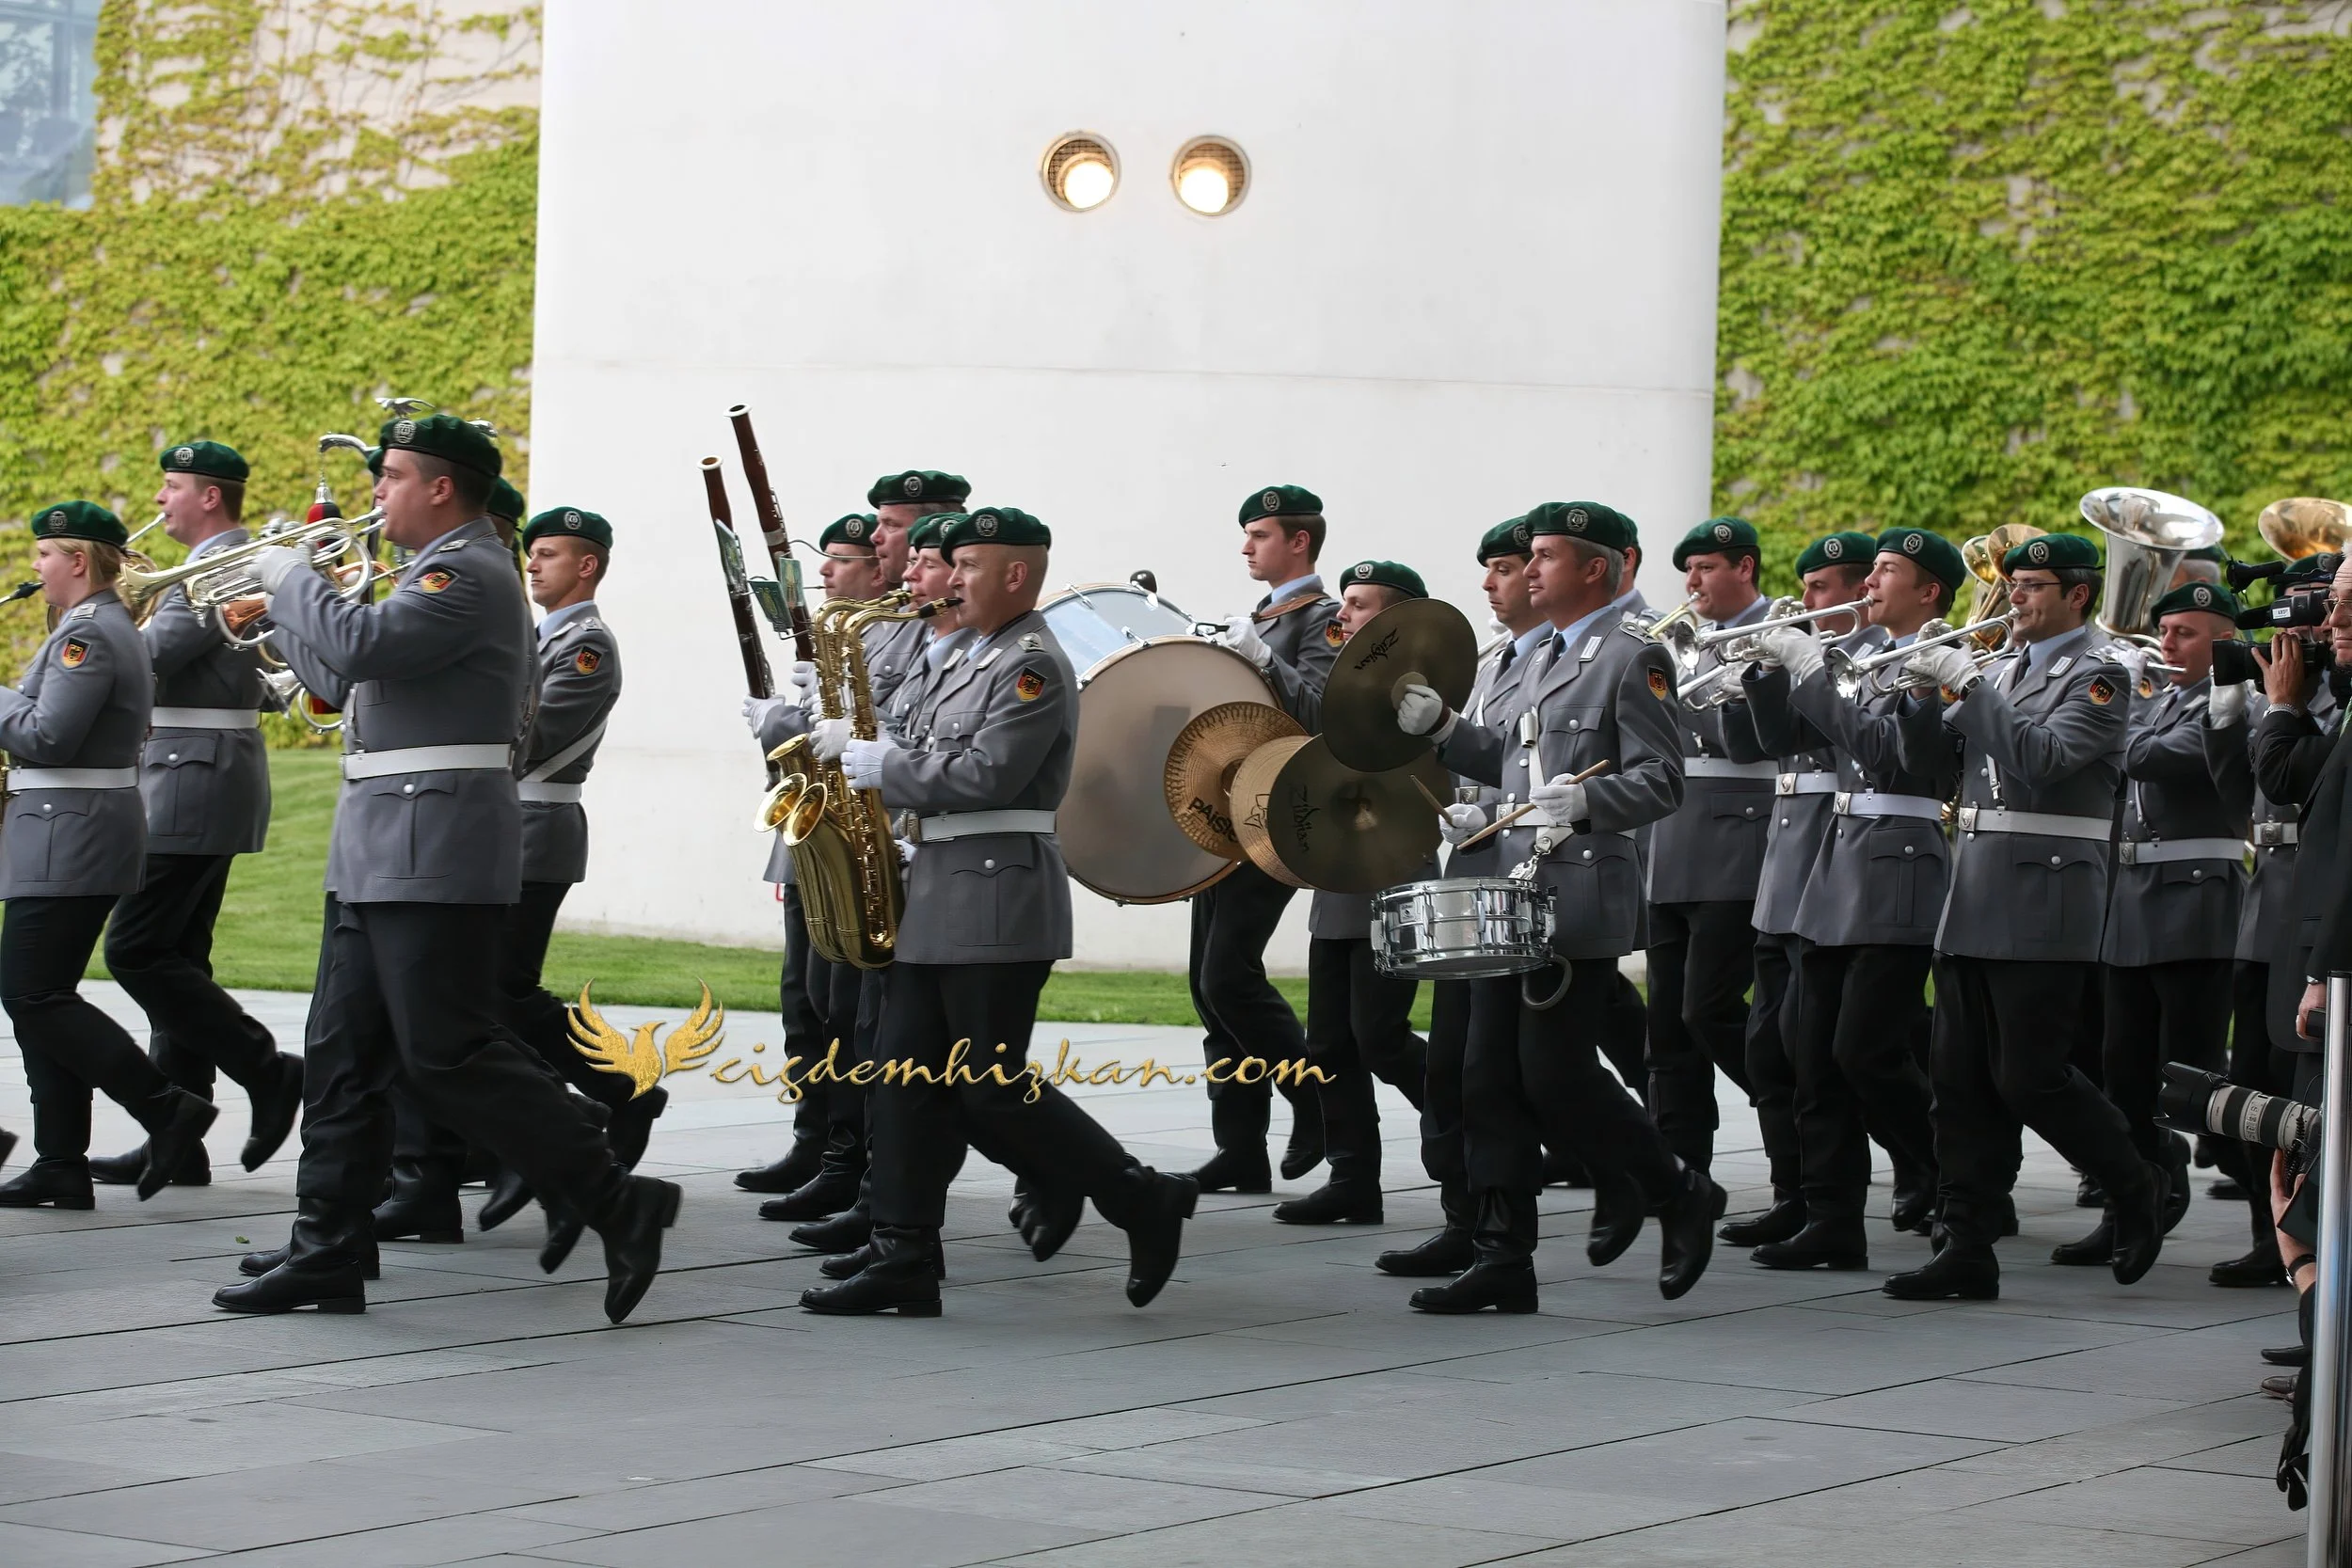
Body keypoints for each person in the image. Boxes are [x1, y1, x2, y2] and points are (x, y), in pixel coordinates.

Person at [213, 414, 677, 1321]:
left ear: (438, 487)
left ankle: (618, 1196)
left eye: (389, 477)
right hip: (382, 841)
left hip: (433, 840)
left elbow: (362, 648)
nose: (376, 492)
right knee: (343, 1054)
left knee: (446, 1049)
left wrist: (288, 576)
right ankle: (328, 1244)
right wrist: (278, 612)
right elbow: (342, 678)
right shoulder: (430, 575)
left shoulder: (466, 570)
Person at [796, 506, 1199, 1316]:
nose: (949, 576)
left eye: (969, 565)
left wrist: (889, 767)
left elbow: (988, 774)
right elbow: (923, 740)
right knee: (903, 1079)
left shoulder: (1032, 663)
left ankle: (1138, 1195)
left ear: (1015, 575)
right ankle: (903, 1255)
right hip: (935, 885)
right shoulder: (967, 654)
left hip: (995, 892)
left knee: (987, 1086)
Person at [1394, 500, 1723, 1313]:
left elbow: (1662, 778)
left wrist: (1580, 805)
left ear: (1596, 569)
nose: (1529, 568)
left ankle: (1675, 1188)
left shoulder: (1629, 656)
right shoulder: (1533, 653)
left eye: (1545, 556)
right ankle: (1505, 1254)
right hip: (1506, 890)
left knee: (1556, 1077)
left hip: (1574, 895)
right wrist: (1446, 734)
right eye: (1530, 556)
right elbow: (1512, 759)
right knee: (1484, 1076)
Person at [1883, 531, 2167, 1301]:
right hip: (1973, 892)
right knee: (1960, 1082)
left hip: (2046, 896)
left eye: (2035, 585)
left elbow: (2042, 757)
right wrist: (1917, 695)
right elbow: (1922, 765)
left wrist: (1967, 693)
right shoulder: (2000, 665)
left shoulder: (2102, 674)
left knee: (2031, 1076)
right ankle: (1967, 1240)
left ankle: (2135, 1182)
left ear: (2078, 595)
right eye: (2014, 583)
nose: (2017, 596)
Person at [89, 441, 302, 1192]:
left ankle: (267, 1069)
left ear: (211, 497)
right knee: (178, 955)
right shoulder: (214, 567)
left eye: (172, 486)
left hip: (192, 778)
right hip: (191, 774)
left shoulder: (220, 569)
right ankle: (176, 1139)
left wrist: (96, 607)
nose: (159, 500)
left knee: (139, 950)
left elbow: (148, 655)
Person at [0, 502, 216, 1211]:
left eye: (43, 554)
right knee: (43, 995)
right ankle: (60, 1160)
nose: (35, 566)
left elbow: (50, 735)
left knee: (32, 992)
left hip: (71, 829)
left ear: (78, 561)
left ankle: (165, 1106)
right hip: (67, 826)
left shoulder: (88, 635)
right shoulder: (93, 628)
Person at [1756, 527, 1963, 1265]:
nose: (1869, 584)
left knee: (1866, 1051)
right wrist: (1768, 669)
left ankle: (1946, 1172)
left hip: (1897, 865)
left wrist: (1813, 671)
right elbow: (1781, 739)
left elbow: (1887, 753)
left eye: (1886, 572)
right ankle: (1833, 1215)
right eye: (1870, 571)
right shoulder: (1866, 653)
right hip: (1836, 864)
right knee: (1811, 1054)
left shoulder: (1938, 664)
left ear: (1929, 590)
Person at [469, 505, 657, 1235]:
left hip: (535, 823)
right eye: (531, 552)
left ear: (587, 566)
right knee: (493, 989)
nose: (533, 564)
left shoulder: (586, 647)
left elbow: (534, 739)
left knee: (503, 987)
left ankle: (608, 1092)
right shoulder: (537, 635)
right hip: (507, 823)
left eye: (548, 554)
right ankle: (584, 1102)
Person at [2053, 583, 2250, 1268]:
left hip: (2196, 901)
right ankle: (2129, 1203)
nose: (2165, 644)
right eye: (2163, 631)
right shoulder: (2161, 697)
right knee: (2123, 1075)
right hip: (2134, 898)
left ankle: (2267, 1224)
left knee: (2201, 1081)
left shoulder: (2233, 705)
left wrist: (2120, 705)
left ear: (2225, 640)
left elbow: (2143, 758)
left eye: (2186, 633)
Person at [1380, 517, 1546, 1276]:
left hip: (1525, 879)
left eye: (1509, 567)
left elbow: (1537, 768)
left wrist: (1482, 780)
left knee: (1497, 1072)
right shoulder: (1496, 661)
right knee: (1448, 1062)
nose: (1493, 582)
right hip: (1471, 870)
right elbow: (1493, 759)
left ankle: (1505, 1233)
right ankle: (1462, 1215)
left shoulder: (1557, 659)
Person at [1712, 531, 1876, 1251]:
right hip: (1787, 864)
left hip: (1836, 861)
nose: (1803, 602)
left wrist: (1806, 668)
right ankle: (1794, 1192)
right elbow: (1760, 745)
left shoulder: (1874, 663)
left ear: (1860, 589)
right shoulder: (1818, 659)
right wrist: (1751, 675)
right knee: (1768, 1049)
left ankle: (1840, 1205)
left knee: (1820, 1051)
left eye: (1819, 588)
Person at [1255, 559, 1432, 1225]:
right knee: (1328, 1041)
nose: (1340, 614)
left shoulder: (1417, 680)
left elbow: (1338, 732)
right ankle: (1354, 1179)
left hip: (1391, 871)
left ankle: (1473, 1134)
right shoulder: (1349, 677)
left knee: (1381, 1037)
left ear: (1391, 617)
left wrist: (1271, 666)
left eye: (1357, 605)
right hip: (1342, 870)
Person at [741, 511, 892, 1225]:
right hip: (811, 838)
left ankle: (846, 1154)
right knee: (803, 1000)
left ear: (876, 569)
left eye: (841, 561)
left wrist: (783, 723)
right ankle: (816, 1139)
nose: (825, 574)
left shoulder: (876, 637)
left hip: (859, 840)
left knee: (842, 1010)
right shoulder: (829, 640)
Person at [1189, 484, 1338, 1193]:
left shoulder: (1323, 620)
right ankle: (1240, 1146)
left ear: (1299, 542)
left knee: (1229, 973)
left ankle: (1313, 1099)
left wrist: (1262, 659)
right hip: (1222, 815)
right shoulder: (1261, 616)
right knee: (1206, 984)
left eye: (1260, 535)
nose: (1247, 547)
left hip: (1274, 815)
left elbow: (1321, 715)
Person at [1645, 517, 1776, 1177]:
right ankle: (1680, 1168)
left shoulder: (1777, 634)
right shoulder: (1682, 643)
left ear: (1744, 568)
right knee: (1667, 1028)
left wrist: (1667, 700)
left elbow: (1748, 740)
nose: (1691, 583)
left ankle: (1799, 1109)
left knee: (1711, 1009)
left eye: (1705, 568)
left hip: (1737, 845)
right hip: (1671, 845)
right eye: (1687, 571)